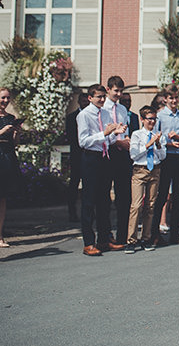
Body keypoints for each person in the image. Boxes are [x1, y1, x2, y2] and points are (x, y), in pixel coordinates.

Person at [77, 84, 127, 256]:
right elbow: (83, 141)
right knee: (89, 201)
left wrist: (115, 133)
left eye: (103, 96)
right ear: (90, 98)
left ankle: (104, 239)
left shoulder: (105, 113)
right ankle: (88, 242)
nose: (101, 99)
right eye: (98, 96)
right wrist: (104, 134)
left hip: (105, 158)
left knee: (104, 200)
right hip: (91, 158)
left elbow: (109, 139)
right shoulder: (84, 115)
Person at [150, 87, 179, 246]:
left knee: (177, 197)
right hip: (165, 158)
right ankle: (154, 234)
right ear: (165, 99)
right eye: (171, 98)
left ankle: (175, 234)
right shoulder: (160, 116)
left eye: (176, 98)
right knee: (162, 196)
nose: (174, 101)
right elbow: (155, 138)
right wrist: (169, 142)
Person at [125, 106, 166, 253]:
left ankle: (146, 238)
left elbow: (162, 156)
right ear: (143, 120)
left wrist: (159, 143)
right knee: (136, 206)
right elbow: (134, 154)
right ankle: (131, 239)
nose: (153, 122)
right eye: (150, 119)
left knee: (150, 206)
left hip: (154, 170)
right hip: (139, 170)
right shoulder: (137, 134)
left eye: (154, 119)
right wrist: (149, 144)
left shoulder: (158, 134)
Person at [104, 75, 132, 248]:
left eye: (121, 91)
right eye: (116, 91)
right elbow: (104, 133)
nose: (119, 94)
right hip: (109, 152)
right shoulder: (103, 108)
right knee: (105, 196)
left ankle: (122, 235)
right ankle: (106, 234)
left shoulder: (122, 109)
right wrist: (117, 142)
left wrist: (127, 141)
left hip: (123, 154)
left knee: (124, 196)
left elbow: (124, 130)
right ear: (108, 90)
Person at [0, 87, 23, 248]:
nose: (6, 101)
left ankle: (0, 235)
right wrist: (2, 131)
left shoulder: (11, 117)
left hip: (7, 157)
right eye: (2, 98)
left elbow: (15, 144)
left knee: (3, 197)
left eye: (8, 98)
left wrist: (16, 133)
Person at [65, 91, 90, 222]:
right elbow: (71, 136)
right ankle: (72, 212)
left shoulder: (92, 116)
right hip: (77, 155)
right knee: (74, 184)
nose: (86, 103)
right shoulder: (71, 117)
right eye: (83, 101)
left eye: (87, 101)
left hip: (89, 155)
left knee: (89, 185)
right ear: (79, 102)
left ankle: (88, 212)